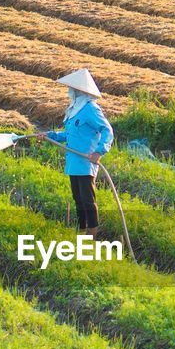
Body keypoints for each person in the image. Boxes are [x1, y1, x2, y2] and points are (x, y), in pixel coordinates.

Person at [38, 69, 114, 236]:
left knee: (88, 200)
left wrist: (99, 151)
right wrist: (49, 136)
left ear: (80, 90)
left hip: (86, 162)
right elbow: (68, 135)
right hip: (73, 162)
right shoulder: (74, 110)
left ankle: (92, 235)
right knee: (78, 200)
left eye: (72, 89)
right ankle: (81, 231)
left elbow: (107, 130)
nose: (70, 92)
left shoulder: (90, 109)